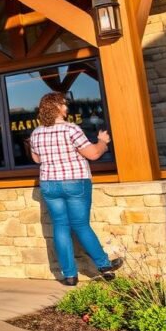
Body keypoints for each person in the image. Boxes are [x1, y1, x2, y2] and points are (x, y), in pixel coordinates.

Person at [29, 92, 124, 286]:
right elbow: (93, 154)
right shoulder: (71, 129)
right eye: (64, 105)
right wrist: (103, 142)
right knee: (80, 225)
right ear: (56, 108)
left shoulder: (36, 133)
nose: (66, 108)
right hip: (75, 182)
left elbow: (37, 159)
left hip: (49, 184)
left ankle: (70, 275)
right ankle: (104, 266)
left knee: (60, 227)